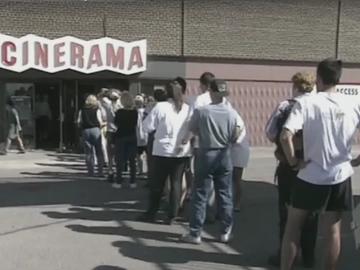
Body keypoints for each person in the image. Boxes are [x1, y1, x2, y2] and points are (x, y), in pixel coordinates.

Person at [280, 58, 359, 270]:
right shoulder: (353, 102)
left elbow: (285, 135)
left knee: (293, 227)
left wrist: (294, 162)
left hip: (311, 175)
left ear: (319, 78)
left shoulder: (307, 103)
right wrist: (357, 160)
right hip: (340, 175)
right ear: (338, 78)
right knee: (333, 231)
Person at [265, 72, 318, 267]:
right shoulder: (320, 105)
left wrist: (289, 155)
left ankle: (286, 257)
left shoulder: (286, 105)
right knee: (311, 215)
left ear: (295, 86)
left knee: (287, 214)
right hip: (313, 167)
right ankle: (310, 258)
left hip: (289, 166)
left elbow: (270, 133)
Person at [180, 79, 241, 244]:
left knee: (200, 193)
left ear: (211, 92)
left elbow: (192, 130)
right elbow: (236, 134)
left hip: (206, 153)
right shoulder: (231, 112)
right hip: (224, 154)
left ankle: (195, 233)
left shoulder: (202, 111)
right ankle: (225, 232)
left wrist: (185, 141)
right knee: (225, 193)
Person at [138, 81, 192, 224]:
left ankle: (152, 212)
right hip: (181, 151)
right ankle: (172, 214)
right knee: (176, 183)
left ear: (166, 93)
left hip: (162, 150)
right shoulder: (187, 108)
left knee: (157, 184)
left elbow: (147, 126)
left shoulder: (160, 107)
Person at [113, 91, 138, 189]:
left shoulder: (119, 112)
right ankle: (132, 181)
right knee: (132, 160)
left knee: (120, 160)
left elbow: (116, 123)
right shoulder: (134, 112)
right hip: (132, 135)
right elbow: (135, 124)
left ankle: (119, 181)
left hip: (121, 136)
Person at [77, 94, 105, 177]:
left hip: (85, 130)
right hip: (95, 130)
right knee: (99, 151)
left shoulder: (82, 110)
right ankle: (100, 171)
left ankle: (90, 171)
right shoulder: (97, 109)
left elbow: (79, 122)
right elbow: (100, 122)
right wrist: (105, 124)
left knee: (88, 152)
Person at [231, 113, 250, 212]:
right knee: (229, 178)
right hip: (231, 151)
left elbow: (235, 135)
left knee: (236, 178)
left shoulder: (236, 118)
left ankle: (237, 203)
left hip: (239, 151)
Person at [104, 90, 121, 182]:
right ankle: (118, 172)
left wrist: (106, 93)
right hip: (119, 132)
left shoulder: (108, 106)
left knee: (110, 154)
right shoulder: (121, 107)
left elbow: (102, 97)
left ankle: (110, 172)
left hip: (110, 131)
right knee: (118, 154)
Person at [134, 95, 148, 175]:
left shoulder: (134, 112)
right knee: (146, 155)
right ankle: (145, 170)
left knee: (138, 155)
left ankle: (140, 170)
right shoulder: (146, 111)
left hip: (138, 136)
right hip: (145, 135)